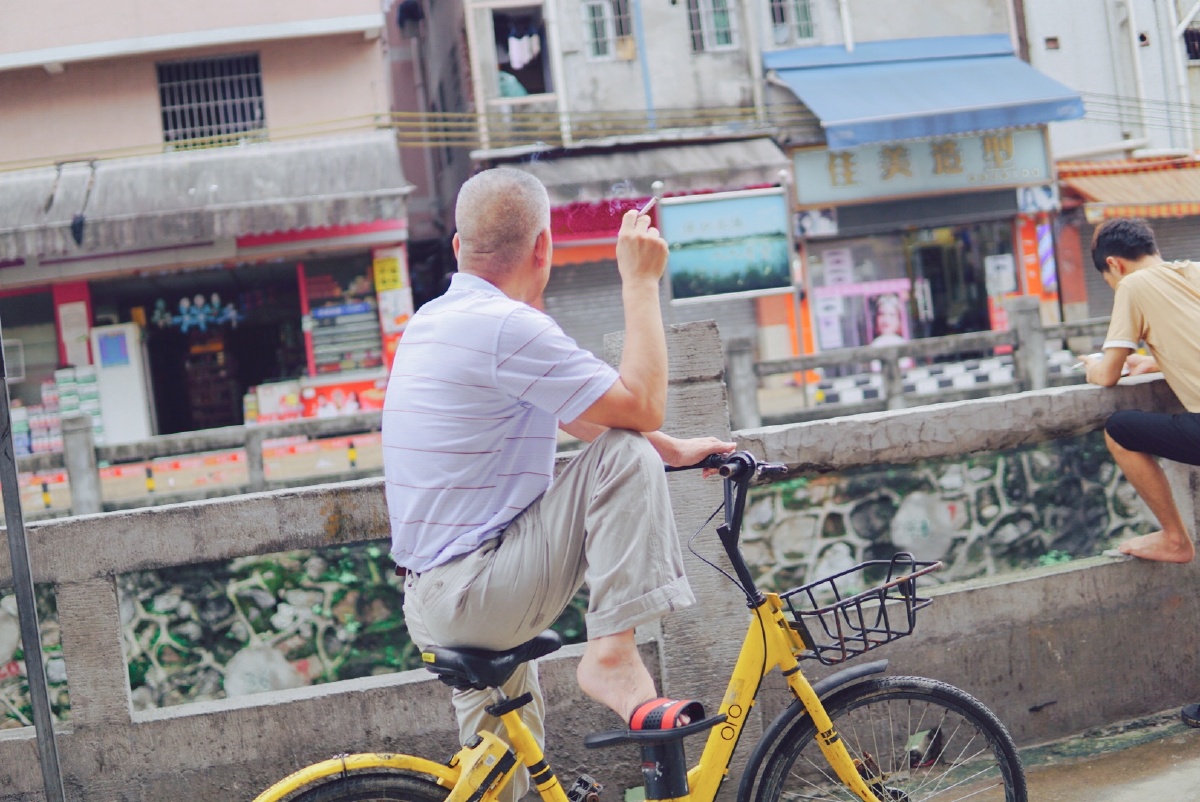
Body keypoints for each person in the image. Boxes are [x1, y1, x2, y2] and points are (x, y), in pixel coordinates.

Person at [382, 167, 735, 796]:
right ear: (545, 248)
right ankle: (612, 654)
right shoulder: (507, 328)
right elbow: (640, 409)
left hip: (436, 598)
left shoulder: (434, 321)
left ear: (460, 249)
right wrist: (639, 282)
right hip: (478, 591)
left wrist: (673, 450)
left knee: (505, 783)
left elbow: (582, 413)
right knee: (628, 452)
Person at [1080, 218, 1200, 568]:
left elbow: (1108, 376)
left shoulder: (1133, 284)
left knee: (1119, 431)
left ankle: (1175, 539)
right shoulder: (1193, 271)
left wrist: (1091, 366)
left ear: (1114, 264)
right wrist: (1158, 364)